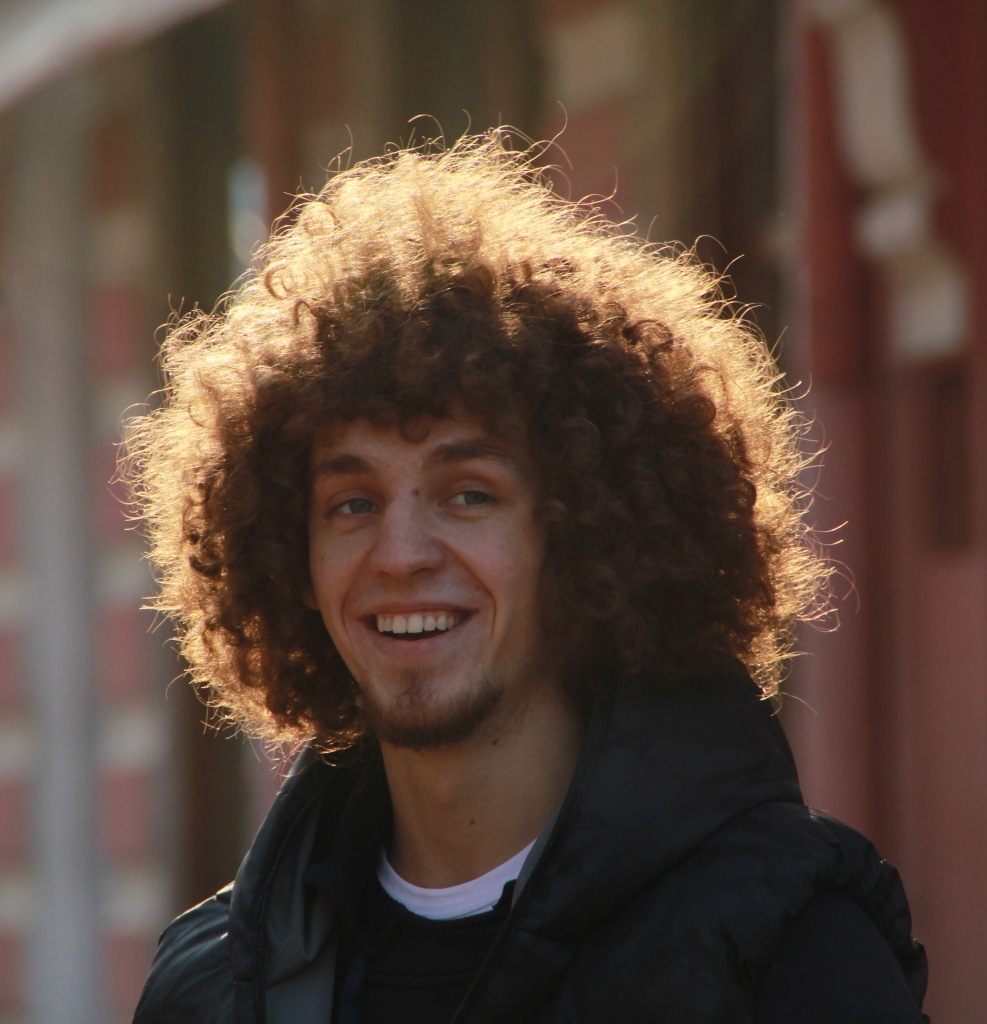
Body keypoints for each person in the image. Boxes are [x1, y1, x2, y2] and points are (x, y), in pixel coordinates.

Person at [128, 132, 928, 1023]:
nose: (400, 553)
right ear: (293, 563)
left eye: (468, 495)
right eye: (351, 504)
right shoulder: (211, 992)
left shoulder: (785, 951)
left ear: (584, 538)